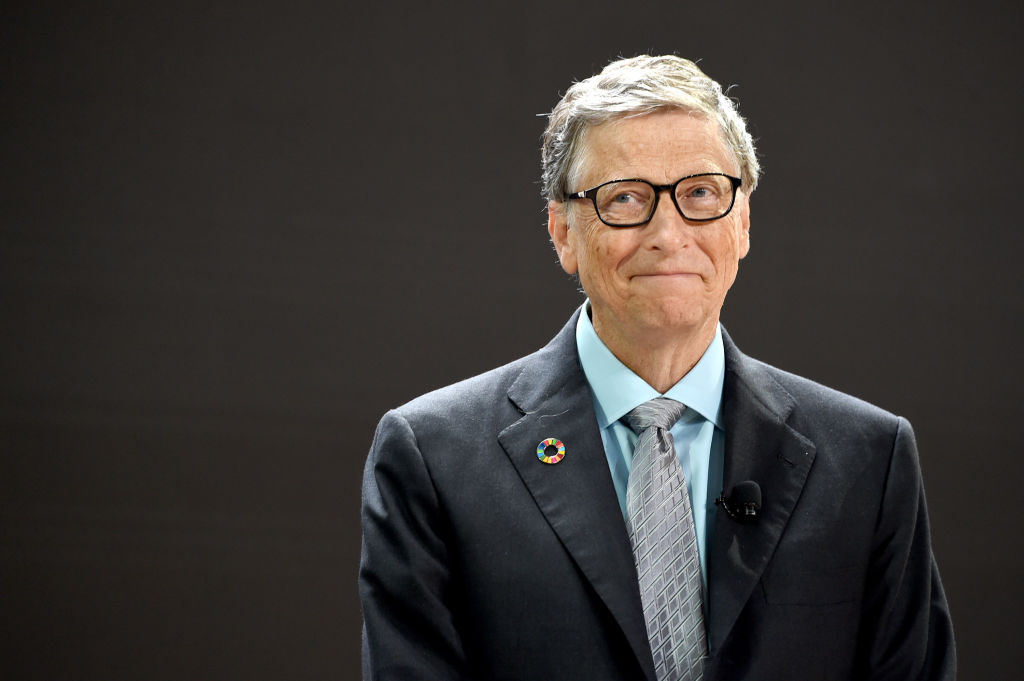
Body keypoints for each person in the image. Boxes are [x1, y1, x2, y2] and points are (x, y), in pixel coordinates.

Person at [359, 55, 955, 681]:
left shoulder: (867, 458)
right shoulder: (433, 459)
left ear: (743, 219)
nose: (668, 233)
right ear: (563, 232)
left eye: (700, 192)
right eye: (625, 198)